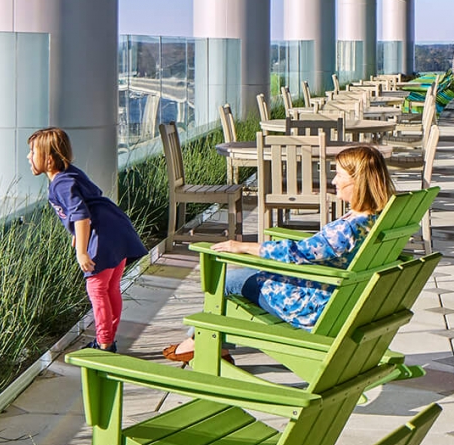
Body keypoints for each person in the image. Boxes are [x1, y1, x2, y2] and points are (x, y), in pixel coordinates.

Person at [161, 145, 395, 362]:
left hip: (309, 305)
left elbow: (297, 253)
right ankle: (211, 344)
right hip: (330, 295)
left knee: (226, 281)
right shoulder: (373, 220)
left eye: (339, 175)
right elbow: (314, 250)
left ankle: (198, 343)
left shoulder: (346, 230)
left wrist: (243, 246)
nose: (333, 180)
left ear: (358, 181)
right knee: (249, 271)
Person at [29, 127, 144, 353]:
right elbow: (91, 199)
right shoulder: (72, 173)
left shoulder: (60, 184)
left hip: (103, 237)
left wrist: (81, 251)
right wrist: (76, 234)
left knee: (96, 288)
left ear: (49, 160)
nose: (28, 157)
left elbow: (82, 215)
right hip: (117, 229)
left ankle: (104, 344)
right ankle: (108, 339)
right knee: (110, 287)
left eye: (32, 152)